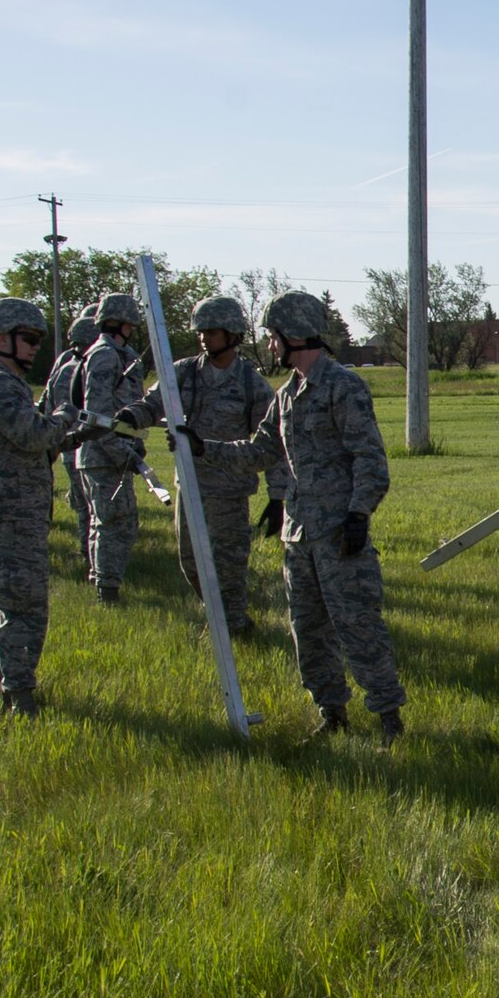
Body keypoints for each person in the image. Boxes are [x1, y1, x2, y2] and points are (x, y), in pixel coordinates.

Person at [184, 290, 405, 743]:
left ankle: (388, 718)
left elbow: (370, 459)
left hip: (339, 533)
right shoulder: (286, 397)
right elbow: (261, 451)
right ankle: (332, 712)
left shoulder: (343, 386)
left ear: (292, 335)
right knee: (308, 630)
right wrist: (205, 448)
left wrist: (359, 515)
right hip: (299, 535)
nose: (268, 346)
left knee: (358, 626)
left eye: (271, 336)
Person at [116, 295, 288, 634]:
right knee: (191, 562)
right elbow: (152, 404)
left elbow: (273, 443)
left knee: (227, 567)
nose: (203, 338)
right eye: (200, 332)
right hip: (189, 486)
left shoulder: (251, 384)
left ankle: (233, 627)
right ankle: (222, 618)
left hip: (229, 492)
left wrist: (278, 495)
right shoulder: (182, 372)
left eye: (210, 332)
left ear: (232, 334)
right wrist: (129, 415)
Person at [0, 298, 83, 716]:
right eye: (28, 339)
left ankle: (6, 675)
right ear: (1, 338)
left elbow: (32, 444)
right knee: (24, 607)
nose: (34, 347)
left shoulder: (8, 382)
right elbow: (32, 435)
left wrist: (71, 435)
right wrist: (65, 415)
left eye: (37, 340)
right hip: (9, 513)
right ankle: (20, 696)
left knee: (11, 602)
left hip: (19, 512)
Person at [76, 293, 147, 603]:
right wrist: (122, 453)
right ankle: (108, 591)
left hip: (109, 453)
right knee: (114, 522)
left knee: (110, 521)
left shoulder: (119, 354)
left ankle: (103, 581)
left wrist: (136, 443)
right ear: (122, 321)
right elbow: (97, 415)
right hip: (104, 454)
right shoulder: (105, 355)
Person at [44, 309, 101, 546]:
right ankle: (90, 556)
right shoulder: (79, 369)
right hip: (81, 446)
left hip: (69, 447)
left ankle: (87, 553)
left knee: (83, 507)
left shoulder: (64, 366)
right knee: (89, 509)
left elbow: (48, 406)